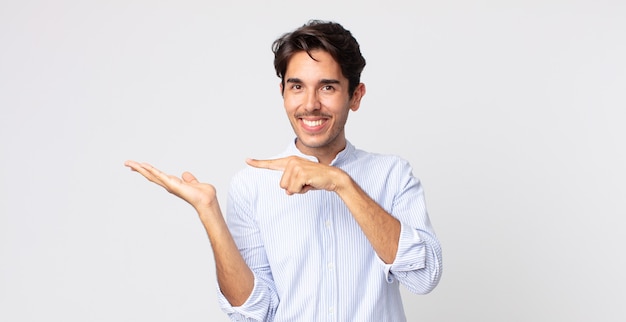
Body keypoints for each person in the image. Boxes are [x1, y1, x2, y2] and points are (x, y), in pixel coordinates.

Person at [125, 19, 442, 321]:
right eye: (297, 87)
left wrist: (342, 183)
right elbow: (254, 312)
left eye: (327, 88)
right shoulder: (252, 185)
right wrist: (208, 211)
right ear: (283, 94)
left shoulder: (393, 175)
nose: (310, 104)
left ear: (355, 96)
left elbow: (424, 276)